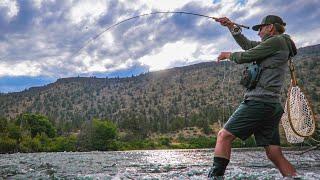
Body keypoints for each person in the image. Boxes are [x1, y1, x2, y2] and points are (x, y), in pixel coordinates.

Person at [208, 15, 298, 179]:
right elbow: (248, 46)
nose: (258, 33)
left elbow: (246, 55)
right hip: (271, 105)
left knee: (224, 136)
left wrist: (228, 55)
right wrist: (231, 26)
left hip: (259, 102)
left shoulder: (276, 41)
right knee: (274, 153)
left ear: (270, 27)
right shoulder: (276, 44)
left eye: (261, 28)